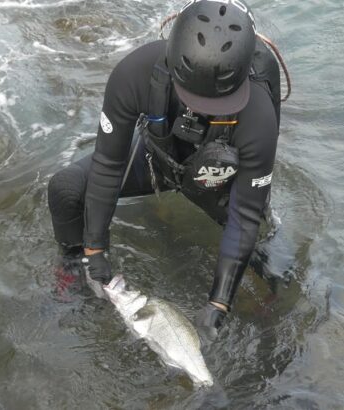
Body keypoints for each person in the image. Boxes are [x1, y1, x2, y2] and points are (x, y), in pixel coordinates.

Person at [47, 0, 282, 342]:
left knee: (269, 263)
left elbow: (244, 217)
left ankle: (265, 305)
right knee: (65, 189)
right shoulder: (135, 72)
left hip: (222, 178)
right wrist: (94, 250)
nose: (200, 108)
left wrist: (218, 305)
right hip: (158, 157)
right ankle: (71, 271)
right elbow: (108, 164)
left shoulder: (258, 114)